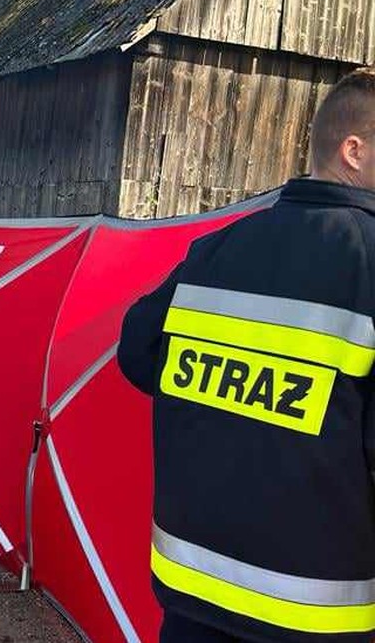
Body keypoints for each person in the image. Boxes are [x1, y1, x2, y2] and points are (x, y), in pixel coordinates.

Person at [118, 67, 375, 643]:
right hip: (313, 618)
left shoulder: (214, 250)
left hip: (192, 597)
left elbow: (136, 355)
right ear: (353, 150)